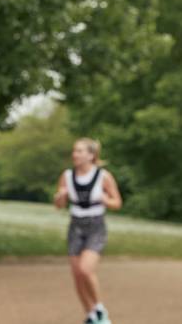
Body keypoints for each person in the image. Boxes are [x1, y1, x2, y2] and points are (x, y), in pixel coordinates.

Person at [53, 138, 122, 324]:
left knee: (85, 270)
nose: (75, 154)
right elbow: (59, 206)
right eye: (74, 151)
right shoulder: (67, 176)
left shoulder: (103, 176)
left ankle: (100, 310)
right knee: (76, 275)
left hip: (96, 226)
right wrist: (61, 197)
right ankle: (90, 315)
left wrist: (105, 200)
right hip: (75, 226)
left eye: (80, 151)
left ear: (91, 155)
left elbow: (117, 202)